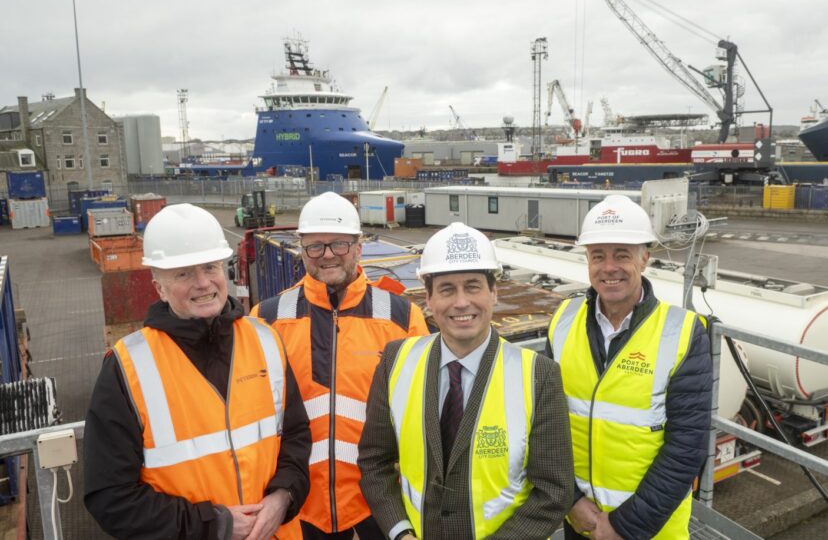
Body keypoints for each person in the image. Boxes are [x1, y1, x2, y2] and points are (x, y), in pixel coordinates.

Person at [84, 203, 311, 539]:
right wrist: (213, 525)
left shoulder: (266, 340)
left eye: (210, 267)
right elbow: (110, 496)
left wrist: (284, 496)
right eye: (183, 273)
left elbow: (296, 436)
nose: (203, 283)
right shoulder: (127, 368)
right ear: (158, 285)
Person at [359, 222, 573, 540]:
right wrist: (400, 532)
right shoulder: (396, 361)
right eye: (447, 289)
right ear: (428, 299)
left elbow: (553, 492)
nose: (461, 302)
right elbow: (374, 461)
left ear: (494, 293)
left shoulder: (538, 375)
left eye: (473, 286)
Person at [252, 191, 429, 539]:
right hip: (297, 507)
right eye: (315, 246)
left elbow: (421, 414)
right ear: (301, 251)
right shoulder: (267, 319)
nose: (327, 255)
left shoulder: (402, 317)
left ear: (358, 247)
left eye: (339, 245)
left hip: (378, 505)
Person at [546, 195, 712, 540]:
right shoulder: (563, 321)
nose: (609, 267)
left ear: (645, 258)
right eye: (598, 256)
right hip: (581, 523)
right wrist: (573, 503)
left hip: (650, 530)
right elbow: (544, 423)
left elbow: (687, 446)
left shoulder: (682, 332)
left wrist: (622, 528)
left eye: (622, 254)